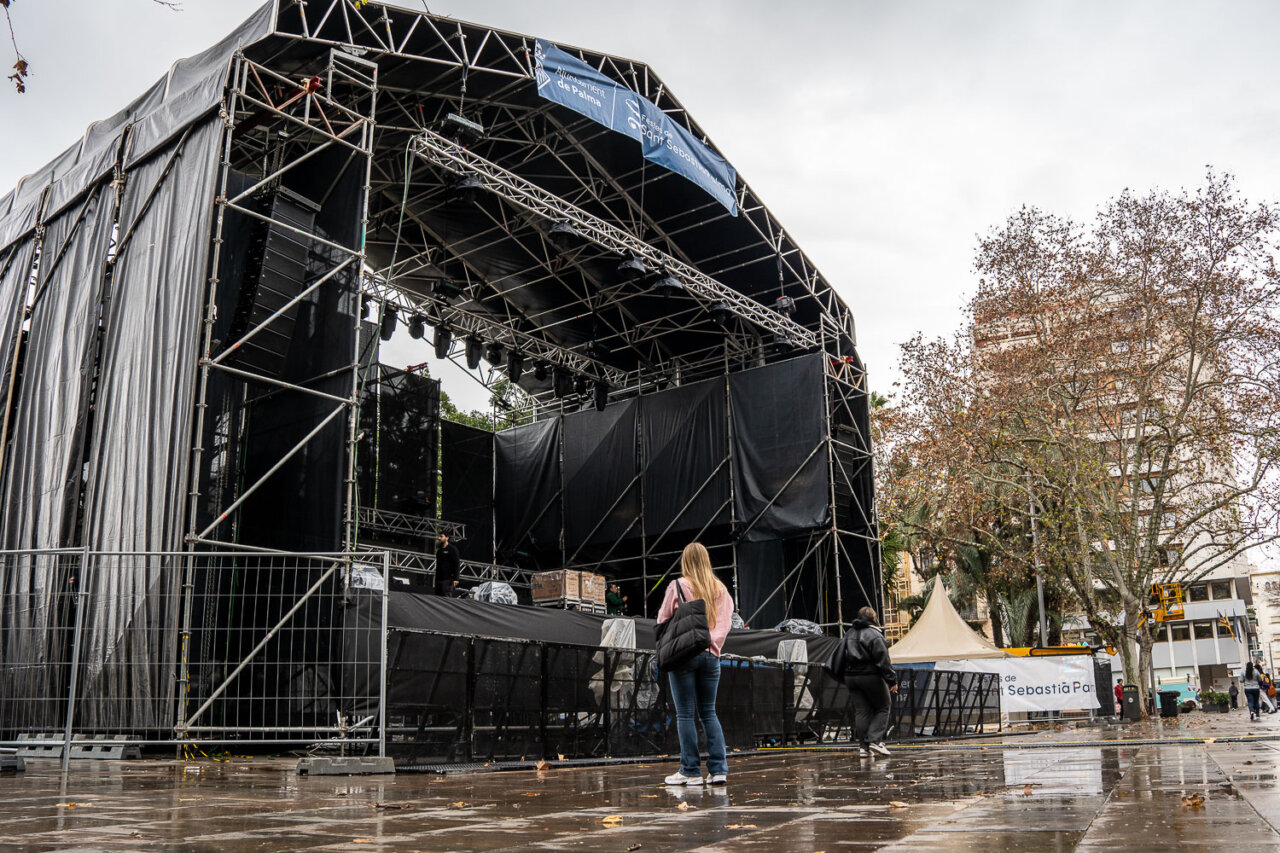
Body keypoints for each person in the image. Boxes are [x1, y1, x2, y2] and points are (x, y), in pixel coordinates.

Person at [656, 542, 733, 786]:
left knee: (685, 714)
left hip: (684, 655)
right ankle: (718, 769)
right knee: (709, 712)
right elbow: (726, 622)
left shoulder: (678, 585)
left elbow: (662, 620)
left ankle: (690, 771)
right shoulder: (720, 588)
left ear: (686, 561)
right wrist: (712, 642)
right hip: (711, 655)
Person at [841, 607, 898, 758]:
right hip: (870, 675)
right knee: (884, 707)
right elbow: (883, 660)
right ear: (873, 618)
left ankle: (863, 748)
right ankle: (874, 740)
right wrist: (892, 680)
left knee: (861, 711)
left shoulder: (849, 634)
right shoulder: (874, 634)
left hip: (850, 677)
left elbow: (840, 654)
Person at [433, 532, 460, 596]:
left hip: (448, 579)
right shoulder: (439, 551)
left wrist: (456, 578)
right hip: (438, 579)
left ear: (447, 538)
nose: (439, 538)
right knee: (437, 598)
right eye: (439, 536)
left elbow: (457, 563)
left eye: (441, 536)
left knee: (446, 598)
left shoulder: (452, 549)